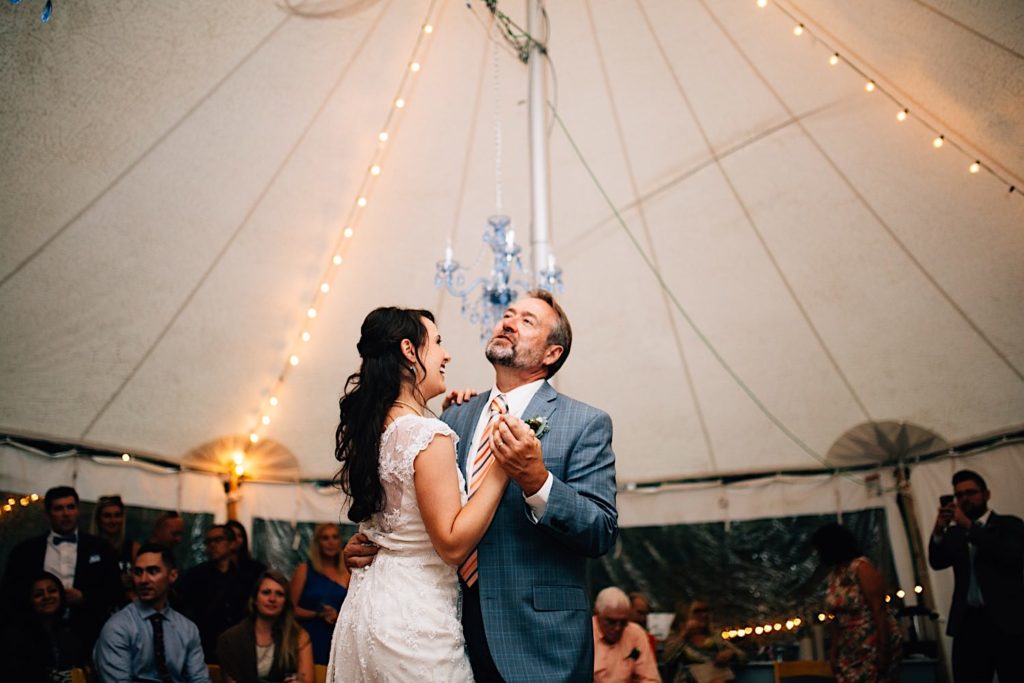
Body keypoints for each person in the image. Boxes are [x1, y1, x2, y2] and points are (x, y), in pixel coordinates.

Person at [345, 291, 619, 682]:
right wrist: (377, 542)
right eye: (507, 314)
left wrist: (538, 481)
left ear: (551, 354)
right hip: (446, 629)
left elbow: (601, 532)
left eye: (527, 321)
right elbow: (416, 503)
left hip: (540, 644)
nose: (508, 322)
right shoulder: (454, 415)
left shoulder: (585, 423)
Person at [326, 306, 513, 682]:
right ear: (409, 351)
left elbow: (395, 518)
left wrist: (444, 415)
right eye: (438, 343)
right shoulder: (429, 436)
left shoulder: (375, 426)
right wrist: (501, 469)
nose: (446, 355)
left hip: (366, 609)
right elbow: (452, 545)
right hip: (414, 620)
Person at [928, 469, 1024, 682]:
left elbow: (1011, 556)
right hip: (969, 622)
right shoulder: (956, 532)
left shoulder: (1009, 525)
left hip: (1007, 621)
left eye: (970, 493)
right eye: (959, 495)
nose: (965, 499)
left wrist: (970, 527)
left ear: (986, 495)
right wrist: (938, 531)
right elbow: (937, 562)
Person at [0, 486, 122, 651]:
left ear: (78, 511)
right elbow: (11, 593)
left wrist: (84, 597)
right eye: (59, 508)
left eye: (70, 507)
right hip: (36, 635)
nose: (66, 514)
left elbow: (114, 590)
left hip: (88, 633)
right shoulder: (26, 551)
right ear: (48, 513)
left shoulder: (100, 548)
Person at [93, 543, 210, 683]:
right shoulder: (118, 627)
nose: (143, 580)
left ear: (172, 575)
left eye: (152, 571)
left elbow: (200, 680)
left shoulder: (187, 629)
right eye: (138, 572)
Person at [810, 523, 900, 683]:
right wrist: (833, 650)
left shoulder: (861, 568)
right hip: (848, 647)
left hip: (871, 643)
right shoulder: (835, 575)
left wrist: (884, 649)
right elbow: (836, 617)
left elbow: (879, 608)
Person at [218, 569, 314, 683]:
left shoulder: (299, 637)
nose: (272, 599)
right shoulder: (230, 639)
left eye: (280, 594)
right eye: (266, 592)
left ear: (285, 602)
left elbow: (307, 680)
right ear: (254, 599)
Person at [178, 524, 252, 663]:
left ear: (231, 544)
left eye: (218, 540)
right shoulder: (196, 575)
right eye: (209, 541)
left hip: (235, 647)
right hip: (203, 646)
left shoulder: (245, 577)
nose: (212, 545)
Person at [1, 571, 87, 682]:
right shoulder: (15, 637)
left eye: (52, 591)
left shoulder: (69, 634)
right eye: (38, 594)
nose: (47, 597)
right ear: (29, 600)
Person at [289, 523, 349, 665]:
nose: (330, 542)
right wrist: (317, 614)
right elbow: (289, 609)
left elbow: (354, 611)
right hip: (306, 638)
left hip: (337, 639)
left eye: (335, 537)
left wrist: (337, 616)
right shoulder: (304, 570)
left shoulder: (348, 573)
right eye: (325, 538)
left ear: (340, 541)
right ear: (317, 543)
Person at [662, 600, 744, 683]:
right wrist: (685, 633)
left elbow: (742, 655)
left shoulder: (715, 636)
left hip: (718, 677)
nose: (704, 615)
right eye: (697, 612)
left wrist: (731, 654)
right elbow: (667, 658)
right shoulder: (676, 636)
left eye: (705, 611)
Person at [592, 587, 661, 683]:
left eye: (623, 622)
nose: (617, 628)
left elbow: (650, 679)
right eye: (611, 622)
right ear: (597, 614)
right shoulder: (583, 633)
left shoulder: (636, 633)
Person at [91, 494, 139, 603]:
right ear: (98, 519)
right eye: (107, 516)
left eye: (117, 515)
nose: (113, 521)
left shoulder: (133, 548)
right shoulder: (89, 547)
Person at [225, 520, 266, 591]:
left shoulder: (257, 569)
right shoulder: (211, 570)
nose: (235, 539)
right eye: (231, 535)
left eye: (239, 536)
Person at [629, 591, 659, 665]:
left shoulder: (649, 640)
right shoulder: (613, 635)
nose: (643, 618)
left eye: (646, 614)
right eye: (639, 613)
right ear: (628, 609)